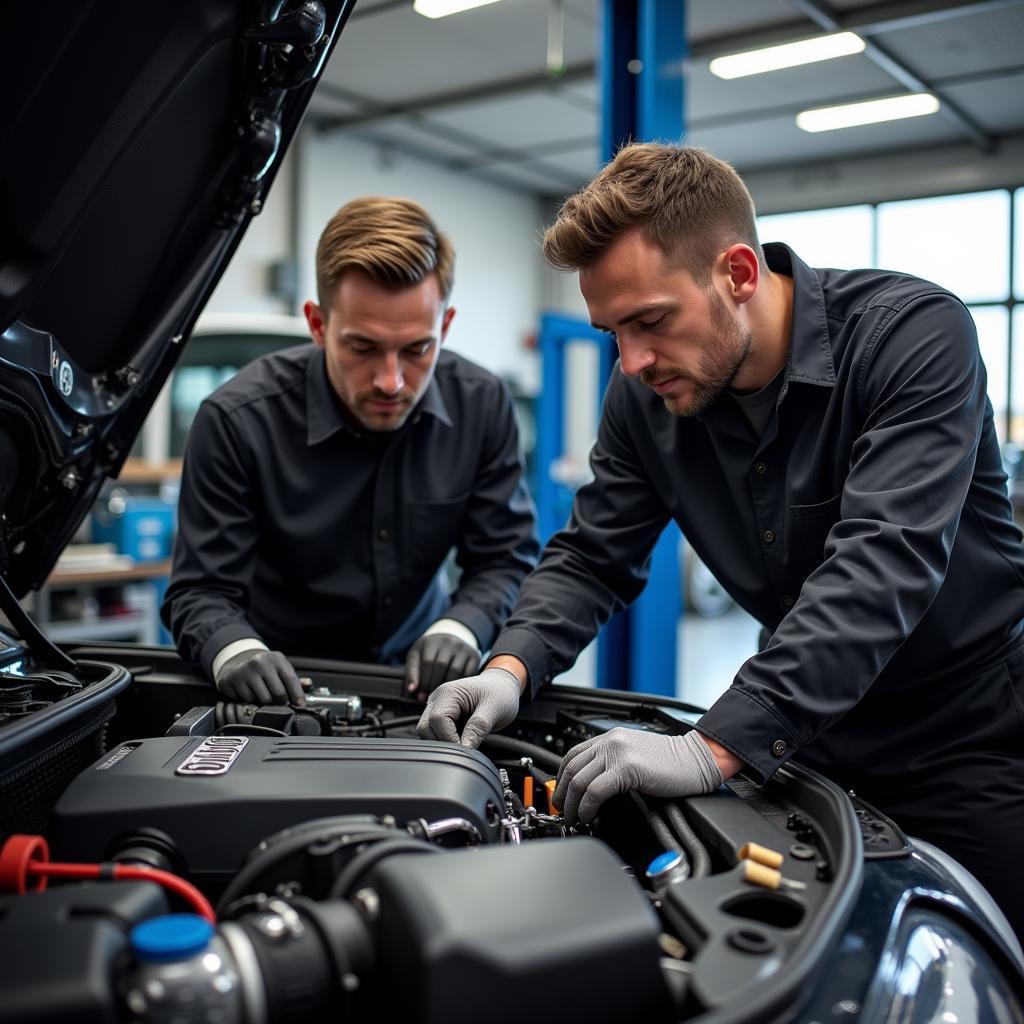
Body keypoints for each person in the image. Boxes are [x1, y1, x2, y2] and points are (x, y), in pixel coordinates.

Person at [417, 144, 1024, 937]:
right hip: (803, 743)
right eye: (613, 332)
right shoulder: (648, 393)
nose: (630, 361)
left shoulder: (911, 337)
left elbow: (882, 564)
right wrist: (510, 665)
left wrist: (711, 748)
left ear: (737, 272)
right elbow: (594, 553)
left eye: (650, 322)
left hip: (963, 740)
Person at [162, 196, 539, 706]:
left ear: (445, 326)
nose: (390, 381)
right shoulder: (236, 420)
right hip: (283, 687)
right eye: (362, 348)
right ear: (318, 324)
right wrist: (233, 649)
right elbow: (200, 590)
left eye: (417, 349)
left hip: (421, 684)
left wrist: (462, 626)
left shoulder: (483, 404)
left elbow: (504, 557)